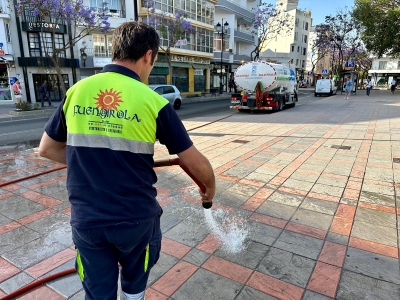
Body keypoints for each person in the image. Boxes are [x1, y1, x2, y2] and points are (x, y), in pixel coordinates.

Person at [38, 22, 215, 300]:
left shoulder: (78, 91)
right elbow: (198, 166)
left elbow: (46, 149)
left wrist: (94, 161)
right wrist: (210, 187)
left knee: (98, 295)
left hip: (88, 221)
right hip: (136, 221)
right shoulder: (153, 102)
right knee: (134, 290)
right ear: (148, 55)